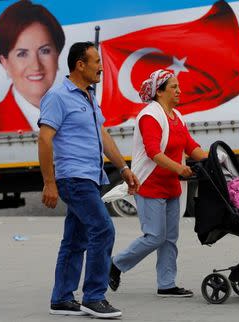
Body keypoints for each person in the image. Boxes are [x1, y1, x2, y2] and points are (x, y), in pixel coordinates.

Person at [38, 41, 139, 318]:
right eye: (96, 62)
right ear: (80, 65)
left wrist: (124, 168)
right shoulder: (58, 95)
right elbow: (45, 139)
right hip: (73, 178)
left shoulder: (88, 95)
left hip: (91, 177)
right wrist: (50, 182)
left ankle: (61, 298)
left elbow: (103, 135)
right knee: (103, 230)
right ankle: (94, 296)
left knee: (75, 239)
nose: (101, 68)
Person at [109, 69, 208, 297]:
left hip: (171, 185)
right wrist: (179, 168)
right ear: (160, 91)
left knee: (170, 238)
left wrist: (216, 157)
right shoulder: (149, 116)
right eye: (174, 87)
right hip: (150, 184)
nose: (179, 91)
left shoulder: (177, 116)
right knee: (155, 236)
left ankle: (166, 284)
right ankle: (115, 264)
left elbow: (190, 146)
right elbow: (153, 152)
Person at [0, 0, 64, 135]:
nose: (36, 65)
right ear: (4, 62)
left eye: (44, 51)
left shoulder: (81, 117)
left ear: (57, 55)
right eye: (22, 54)